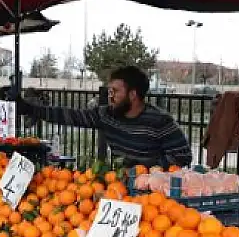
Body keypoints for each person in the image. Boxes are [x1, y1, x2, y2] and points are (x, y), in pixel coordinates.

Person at [17, 66, 193, 169]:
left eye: (115, 91)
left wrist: (144, 166)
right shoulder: (106, 115)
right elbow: (70, 115)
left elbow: (183, 156)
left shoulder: (160, 121)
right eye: (109, 91)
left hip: (155, 196)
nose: (110, 96)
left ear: (133, 95)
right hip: (120, 187)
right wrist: (30, 108)